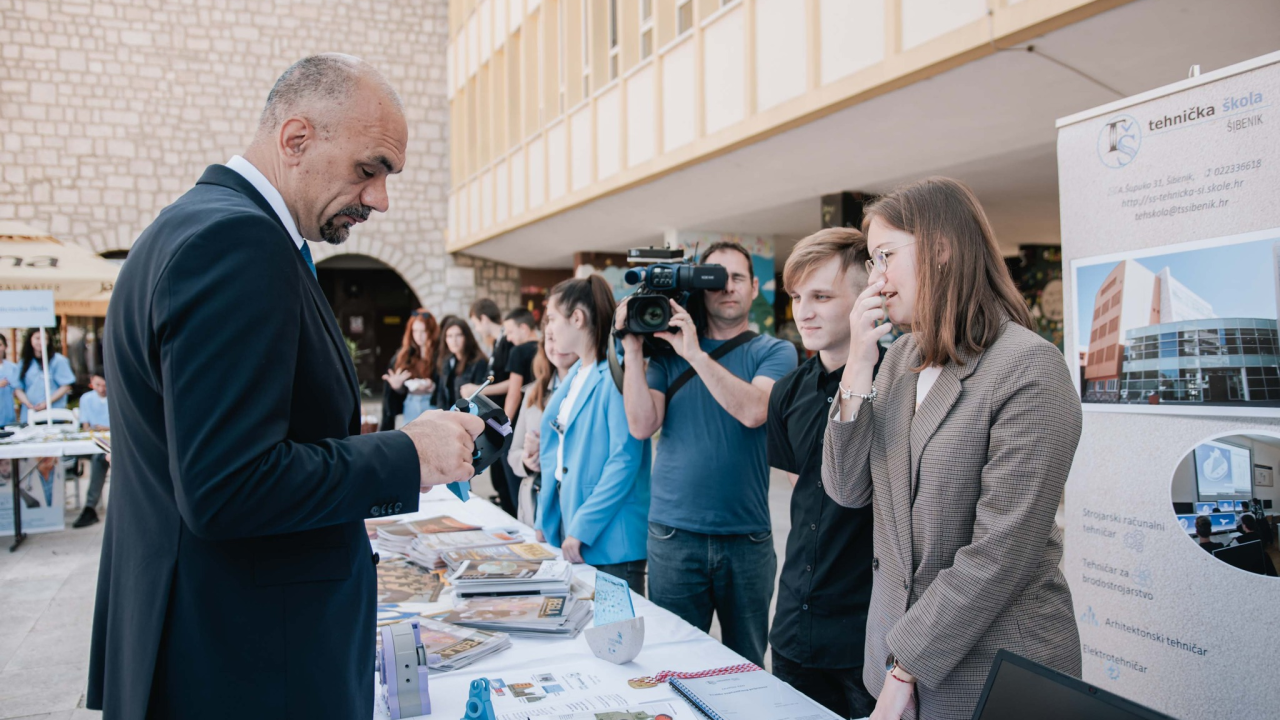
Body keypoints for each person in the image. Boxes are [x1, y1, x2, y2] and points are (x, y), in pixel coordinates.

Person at [87, 54, 484, 719]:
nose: (380, 199)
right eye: (369, 169)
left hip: (211, 644)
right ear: (296, 139)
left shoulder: (192, 225)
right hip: (246, 666)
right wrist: (411, 453)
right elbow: (228, 486)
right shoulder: (236, 241)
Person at [823, 177, 1082, 720]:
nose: (876, 278)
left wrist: (904, 668)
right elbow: (846, 489)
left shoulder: (1028, 367)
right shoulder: (898, 360)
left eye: (886, 256)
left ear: (941, 249)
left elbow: (999, 554)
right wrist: (858, 366)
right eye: (872, 261)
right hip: (896, 660)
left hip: (994, 673)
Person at [615, 241, 795, 666]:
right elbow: (641, 425)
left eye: (737, 278)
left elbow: (754, 410)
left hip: (747, 538)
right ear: (699, 287)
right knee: (675, 663)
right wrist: (634, 349)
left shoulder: (774, 351)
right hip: (674, 536)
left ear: (754, 288)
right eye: (715, 279)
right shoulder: (666, 353)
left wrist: (694, 353)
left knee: (746, 665)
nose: (727, 287)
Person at [767, 228, 880, 717]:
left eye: (822, 296)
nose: (803, 312)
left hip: (869, 635)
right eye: (797, 297)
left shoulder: (903, 385)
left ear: (866, 297)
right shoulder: (787, 391)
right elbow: (803, 496)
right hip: (794, 626)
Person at [537, 275, 651, 594]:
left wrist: (582, 527)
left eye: (552, 318)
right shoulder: (578, 373)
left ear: (577, 318)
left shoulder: (616, 373)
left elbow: (624, 460)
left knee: (617, 626)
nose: (549, 329)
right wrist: (546, 519)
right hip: (574, 529)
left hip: (610, 540)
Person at [507, 326, 578, 527]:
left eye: (563, 337)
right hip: (536, 502)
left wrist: (549, 451)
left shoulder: (593, 390)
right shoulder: (533, 392)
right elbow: (513, 452)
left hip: (575, 503)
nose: (558, 346)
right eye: (551, 339)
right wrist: (527, 460)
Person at [466, 297, 518, 515]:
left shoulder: (508, 341)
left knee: (508, 478)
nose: (477, 329)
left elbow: (514, 383)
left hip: (506, 417)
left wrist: (478, 390)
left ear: (484, 319)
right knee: (498, 476)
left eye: (476, 324)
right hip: (497, 418)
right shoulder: (496, 343)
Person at [384, 309, 439, 423]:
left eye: (423, 331)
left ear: (431, 331)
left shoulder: (439, 353)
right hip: (411, 403)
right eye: (415, 331)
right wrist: (397, 386)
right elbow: (400, 391)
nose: (418, 336)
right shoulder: (407, 354)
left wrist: (432, 385)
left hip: (433, 403)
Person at [14, 328, 76, 424]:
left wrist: (46, 403)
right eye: (37, 338)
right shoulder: (24, 362)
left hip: (53, 415)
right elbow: (18, 388)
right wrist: (28, 404)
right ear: (30, 339)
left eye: (44, 338)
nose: (41, 342)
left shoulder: (58, 360)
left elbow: (66, 386)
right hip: (29, 415)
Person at [73, 374, 111, 528]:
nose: (101, 389)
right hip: (92, 441)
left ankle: (90, 506)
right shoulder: (86, 399)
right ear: (91, 384)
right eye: (98, 385)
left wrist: (107, 428)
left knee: (99, 459)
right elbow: (85, 425)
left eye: (105, 385)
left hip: (109, 442)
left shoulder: (116, 395)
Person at [432, 315, 490, 410]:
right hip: (449, 414)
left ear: (466, 337)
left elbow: (479, 400)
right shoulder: (446, 361)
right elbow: (441, 394)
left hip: (468, 414)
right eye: (449, 336)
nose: (454, 340)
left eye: (458, 335)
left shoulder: (478, 362)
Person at [0, 334, 20, 426]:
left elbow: (18, 389)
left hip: (9, 417)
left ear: (5, 347)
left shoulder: (13, 368)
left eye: (0, 345)